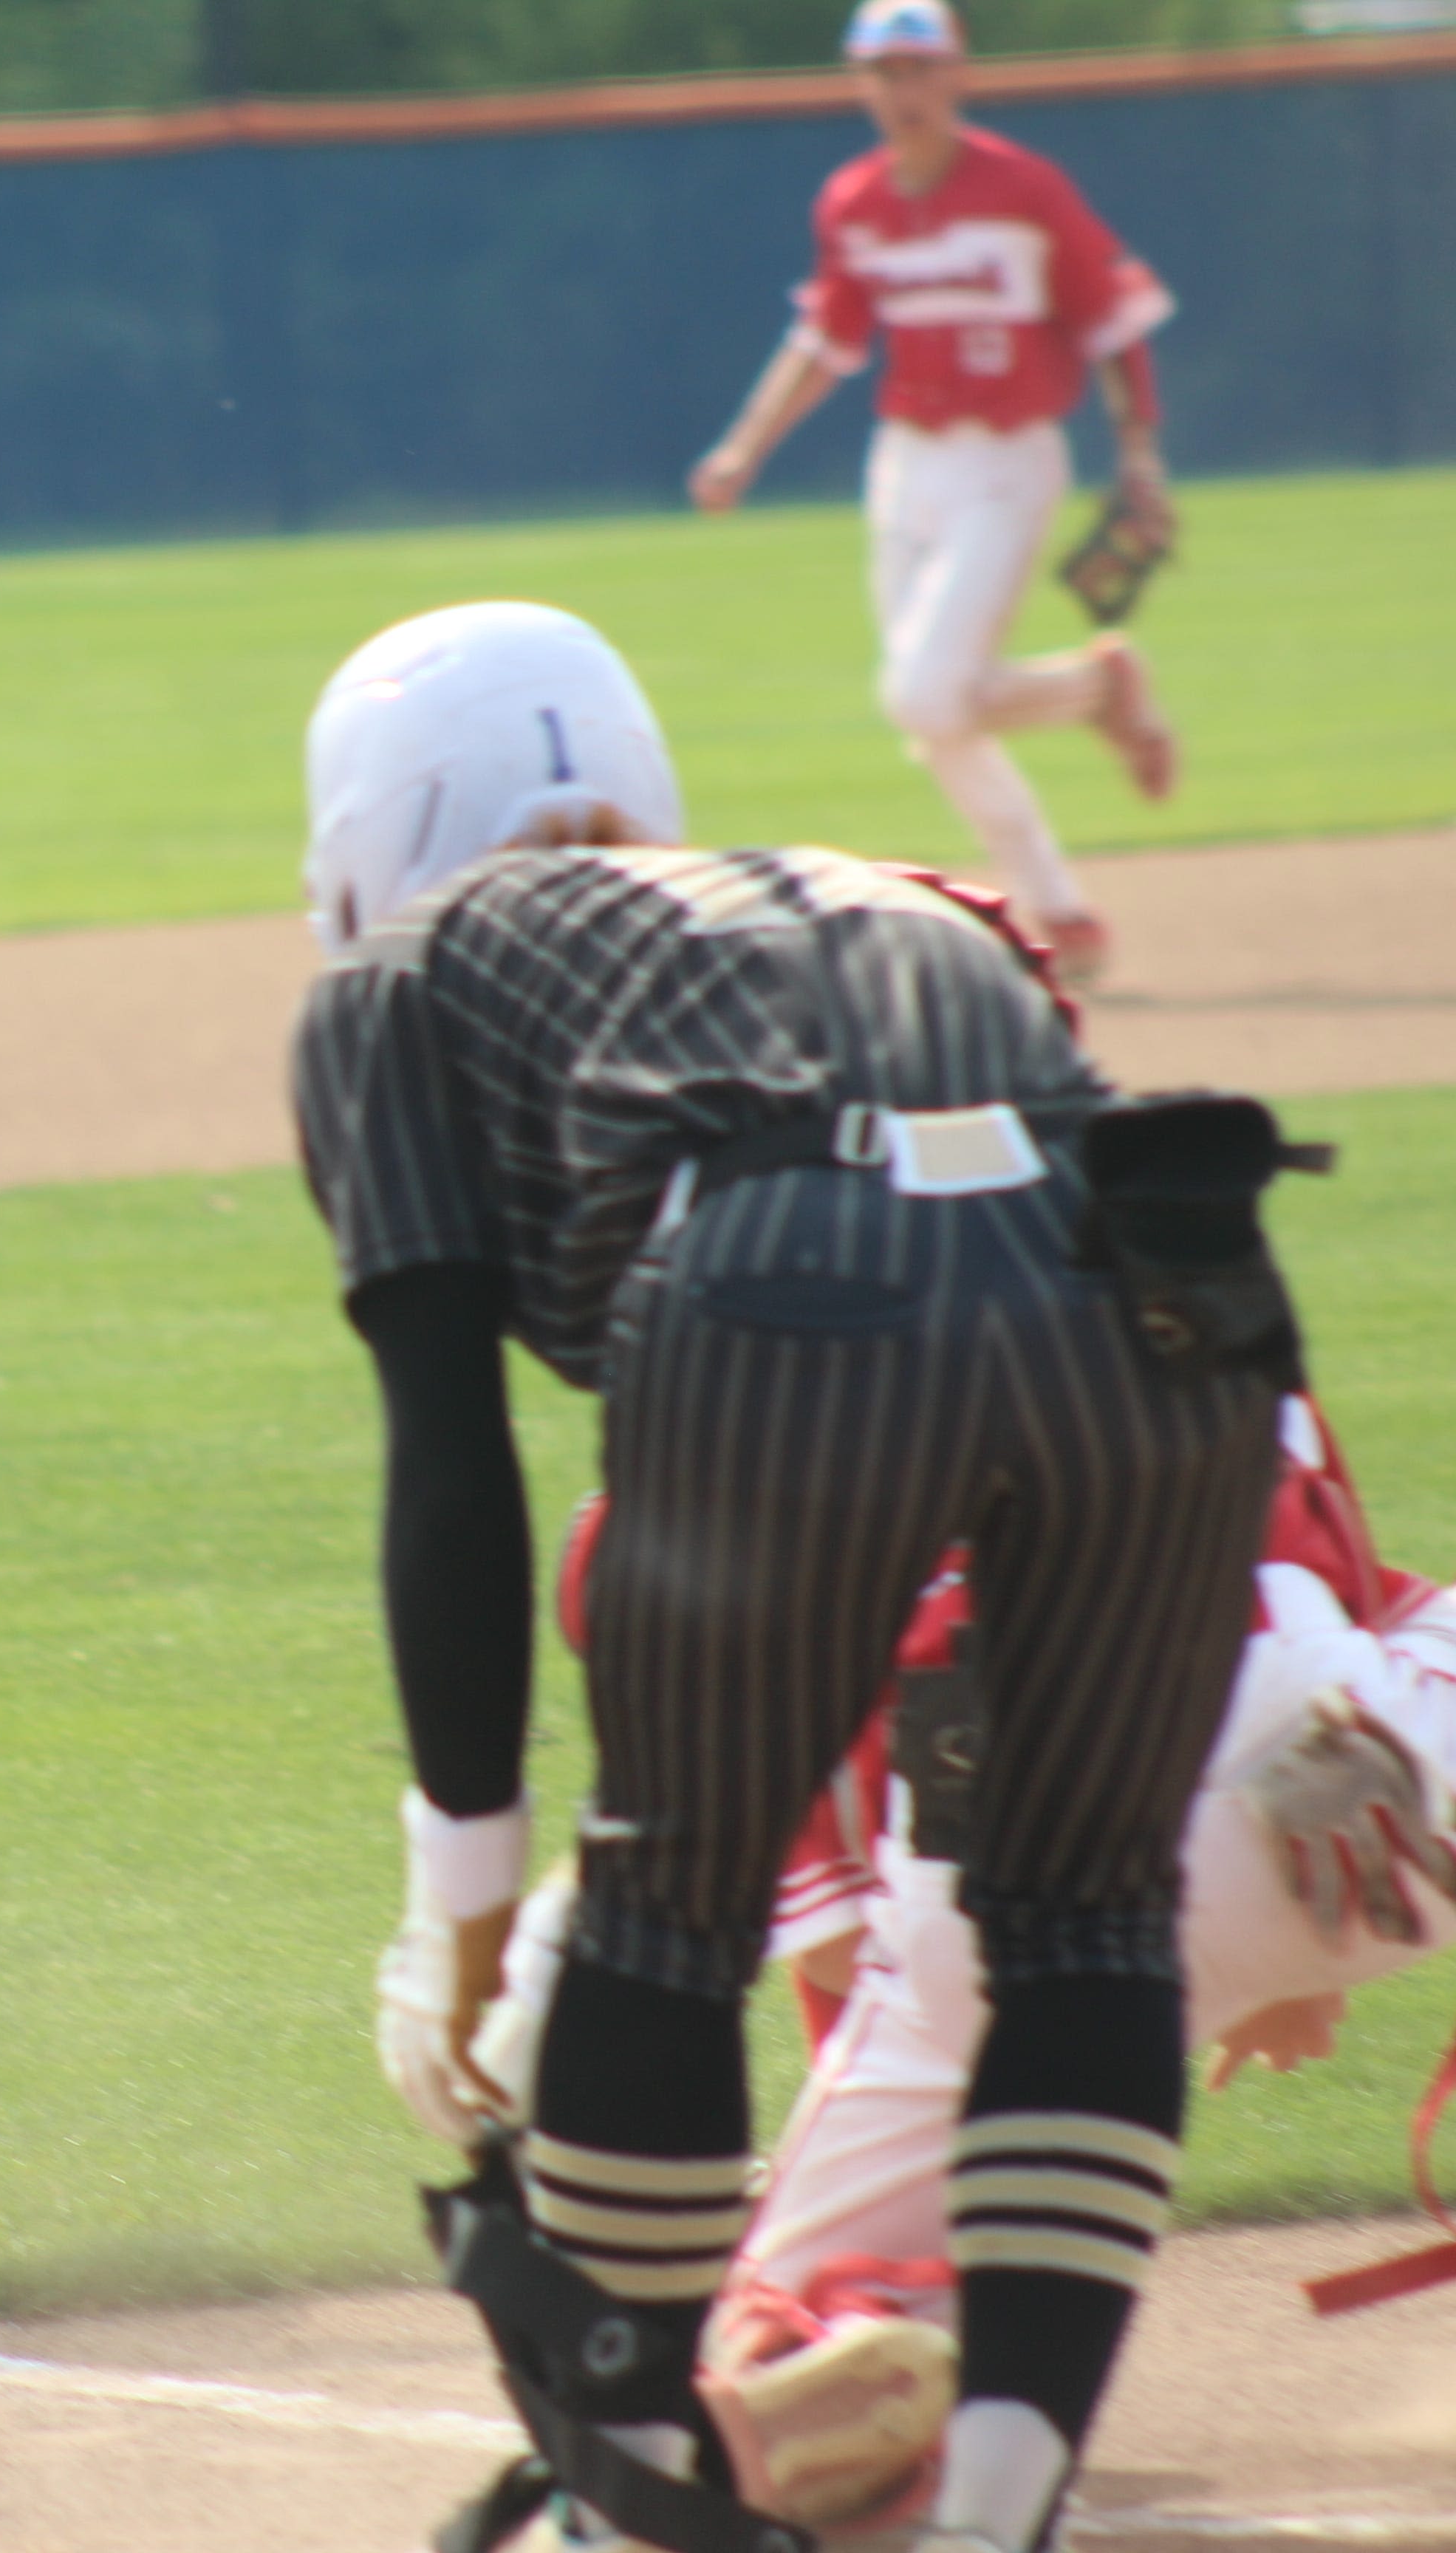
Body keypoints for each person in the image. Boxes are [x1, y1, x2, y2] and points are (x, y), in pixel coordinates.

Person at [298, 598, 1299, 2553]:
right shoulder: (876, 893)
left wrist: (471, 1909)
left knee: (667, 1924)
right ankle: (999, 2512)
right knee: (1087, 1924)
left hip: (798, 1296)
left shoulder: (394, 979)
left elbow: (453, 1457)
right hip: (1181, 1274)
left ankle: (630, 2510)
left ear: (369, 834)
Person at [478, 1393, 1456, 2526]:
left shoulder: (739, 1532)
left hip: (993, 1849)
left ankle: (832, 2338)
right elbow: (1344, 1581)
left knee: (797, 2301)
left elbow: (849, 1950)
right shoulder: (1174, 1286)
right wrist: (1308, 1950)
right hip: (1350, 1759)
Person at [688, 0, 1179, 986]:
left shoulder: (1023, 189)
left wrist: (1139, 457)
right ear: (859, 83)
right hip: (908, 464)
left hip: (1008, 462)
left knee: (922, 689)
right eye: (882, 71)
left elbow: (1110, 317)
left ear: (958, 77)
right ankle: (1062, 908)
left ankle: (1094, 699)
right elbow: (828, 341)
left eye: (918, 69)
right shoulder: (854, 202)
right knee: (932, 714)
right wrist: (745, 447)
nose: (901, 91)